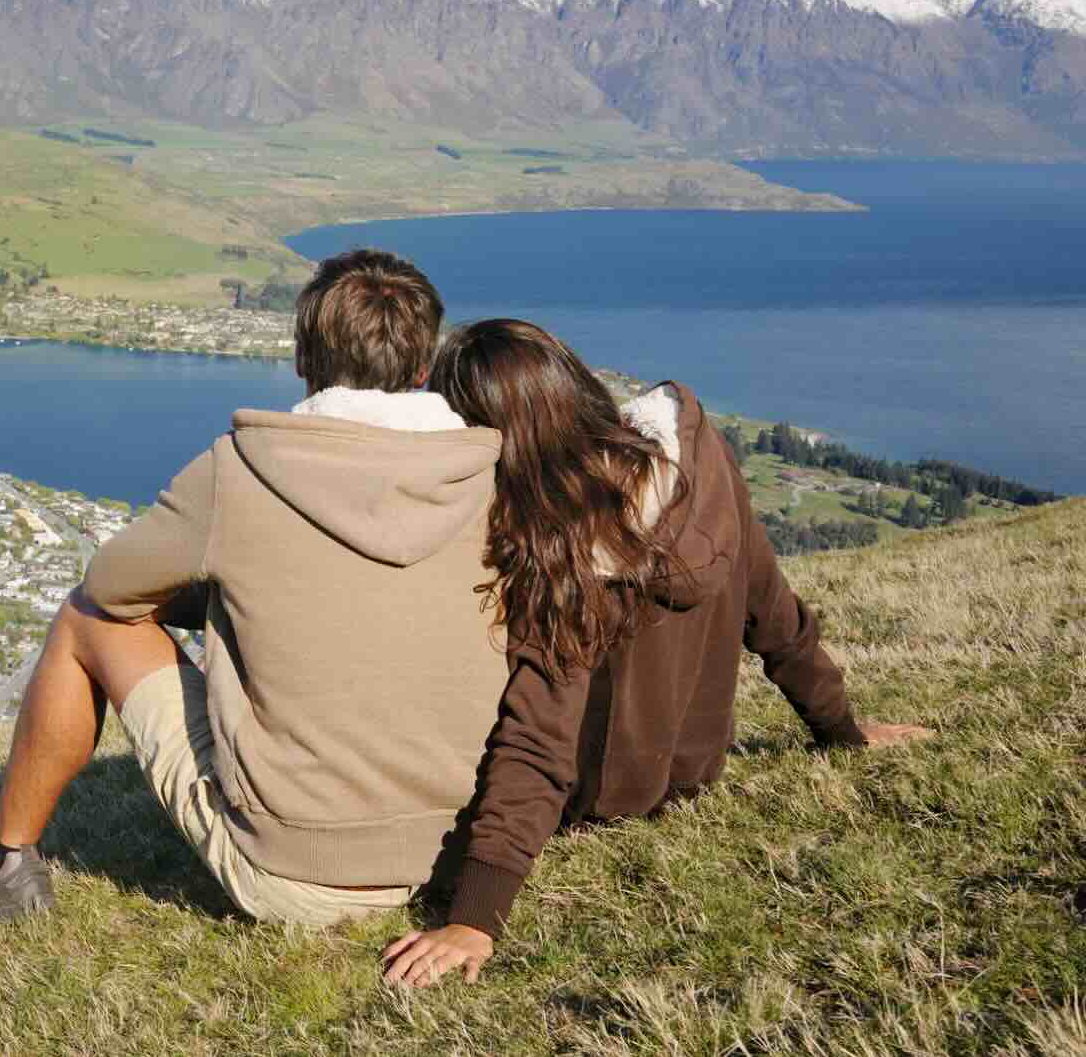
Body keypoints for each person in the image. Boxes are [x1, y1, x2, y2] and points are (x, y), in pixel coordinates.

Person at [0, 249, 508, 926]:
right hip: (459, 851)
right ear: (422, 368)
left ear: (301, 358)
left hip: (297, 874)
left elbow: (110, 587)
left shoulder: (245, 468)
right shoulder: (487, 474)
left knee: (85, 619)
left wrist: (234, 590)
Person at [381, 319, 934, 987]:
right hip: (694, 764)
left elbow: (539, 742)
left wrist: (475, 915)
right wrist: (841, 728)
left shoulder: (567, 555)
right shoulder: (700, 464)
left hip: (606, 794)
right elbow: (772, 609)